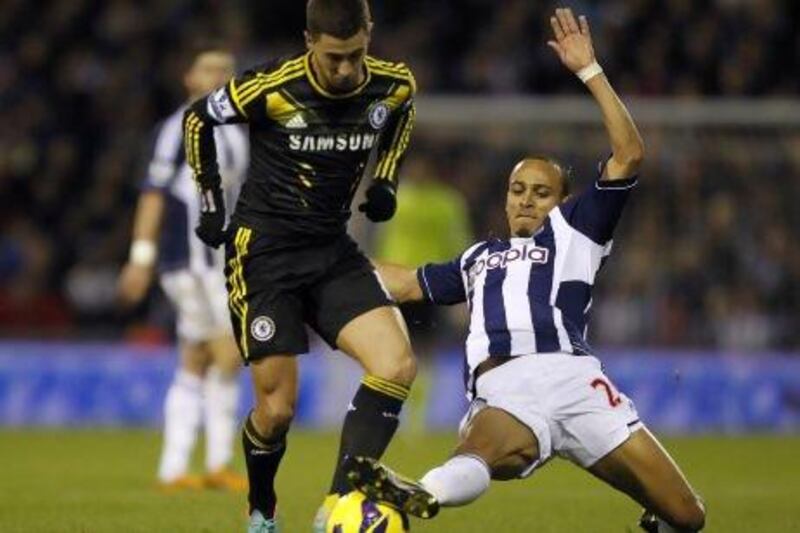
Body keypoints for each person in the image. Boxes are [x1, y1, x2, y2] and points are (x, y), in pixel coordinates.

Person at [347, 9, 706, 533]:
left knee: (688, 517)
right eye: (518, 191)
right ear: (505, 199)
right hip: (505, 381)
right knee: (484, 453)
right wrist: (321, 257)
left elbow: (629, 153)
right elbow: (404, 282)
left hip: (577, 380)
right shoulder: (476, 259)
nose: (527, 201)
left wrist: (590, 72)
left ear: (563, 200)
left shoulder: (577, 230)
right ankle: (421, 492)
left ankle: (429, 487)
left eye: (542, 192)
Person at [181, 1, 418, 531]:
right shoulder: (270, 86)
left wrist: (386, 178)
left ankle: (338, 505)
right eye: (334, 57)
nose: (345, 70)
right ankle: (262, 509)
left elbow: (403, 113)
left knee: (396, 366)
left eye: (356, 55)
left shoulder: (392, 84)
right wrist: (212, 201)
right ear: (309, 40)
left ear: (369, 35)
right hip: (265, 255)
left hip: (333, 250)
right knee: (277, 410)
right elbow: (198, 118)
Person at [118, 43, 248, 492]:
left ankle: (175, 469)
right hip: (193, 261)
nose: (217, 76)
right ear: (189, 79)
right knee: (229, 352)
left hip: (220, 262)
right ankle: (216, 462)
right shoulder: (179, 128)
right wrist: (141, 257)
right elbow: (153, 192)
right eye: (208, 69)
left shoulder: (236, 130)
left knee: (197, 358)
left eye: (226, 71)